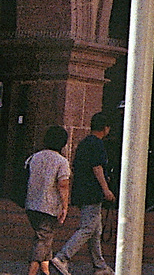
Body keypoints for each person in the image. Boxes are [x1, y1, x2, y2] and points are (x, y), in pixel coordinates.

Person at [52, 111, 116, 275]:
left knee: (95, 230)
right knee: (88, 228)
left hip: (81, 190)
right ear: (105, 128)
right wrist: (106, 189)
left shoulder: (85, 143)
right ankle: (63, 257)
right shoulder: (97, 144)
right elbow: (97, 167)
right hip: (92, 192)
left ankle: (99, 265)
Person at [23, 126, 71, 275]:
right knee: (43, 240)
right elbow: (63, 185)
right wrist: (65, 206)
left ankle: (46, 270)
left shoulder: (34, 157)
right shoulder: (61, 161)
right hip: (49, 206)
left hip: (31, 204)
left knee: (44, 237)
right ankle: (32, 271)